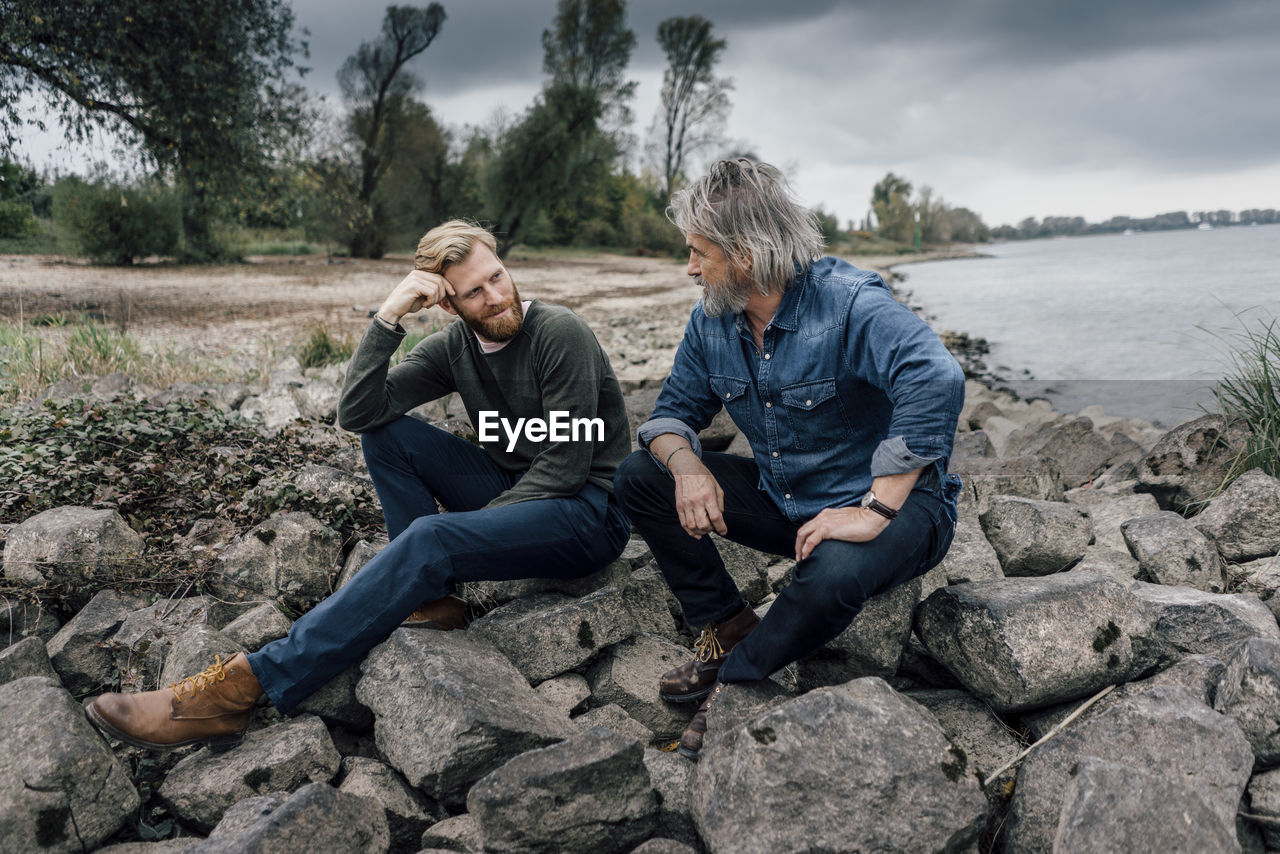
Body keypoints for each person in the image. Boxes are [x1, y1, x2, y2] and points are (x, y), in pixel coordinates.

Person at [87, 220, 632, 751]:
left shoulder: (558, 332)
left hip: (586, 513)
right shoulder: (455, 348)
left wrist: (453, 537)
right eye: (475, 291)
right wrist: (388, 317)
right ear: (448, 303)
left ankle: (240, 689)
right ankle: (436, 598)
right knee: (386, 436)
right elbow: (359, 412)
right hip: (519, 490)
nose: (496, 297)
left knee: (430, 539)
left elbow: (562, 468)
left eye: (498, 276)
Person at [613, 159, 965, 759]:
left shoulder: (850, 303)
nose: (689, 267)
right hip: (790, 503)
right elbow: (669, 416)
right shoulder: (711, 321)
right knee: (641, 476)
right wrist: (688, 466)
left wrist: (876, 508)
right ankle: (729, 629)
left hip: (902, 513)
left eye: (699, 252)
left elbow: (934, 375)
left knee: (832, 572)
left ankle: (738, 679)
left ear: (745, 253)